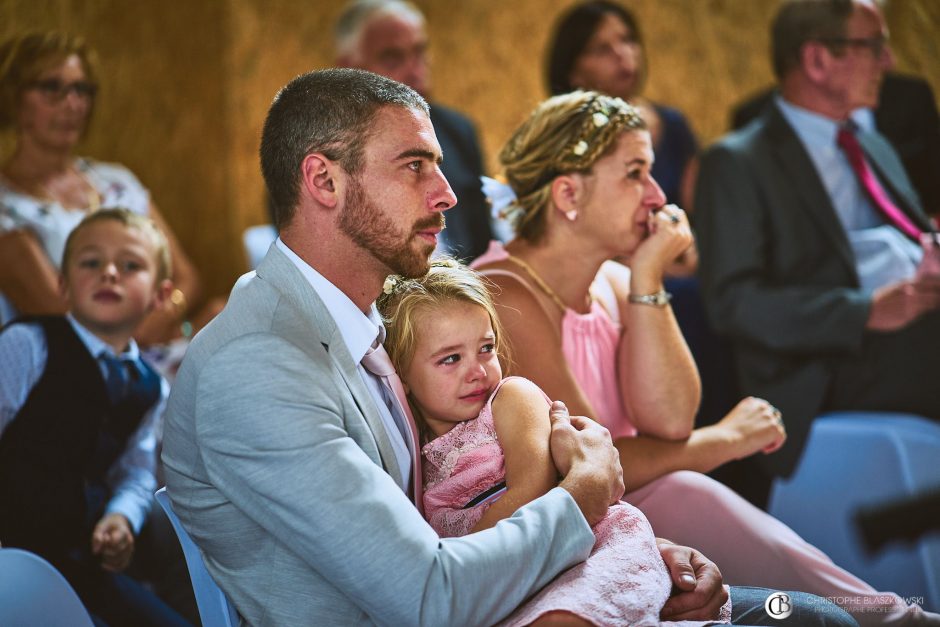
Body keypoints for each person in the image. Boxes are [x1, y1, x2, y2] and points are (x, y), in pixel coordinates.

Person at [160, 68, 852, 627]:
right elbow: (428, 594)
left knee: (806, 613)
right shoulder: (256, 364)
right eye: (414, 166)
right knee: (814, 621)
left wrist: (643, 550)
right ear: (323, 181)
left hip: (518, 593)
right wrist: (582, 494)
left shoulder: (352, 318)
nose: (447, 193)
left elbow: (446, 515)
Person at [472, 90, 935, 626]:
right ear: (569, 194)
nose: (657, 194)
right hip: (572, 520)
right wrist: (725, 441)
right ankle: (892, 618)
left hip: (633, 501)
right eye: (635, 173)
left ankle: (888, 617)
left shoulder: (617, 281)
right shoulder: (504, 293)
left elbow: (669, 420)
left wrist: (648, 277)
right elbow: (593, 462)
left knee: (687, 493)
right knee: (687, 489)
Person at [378, 259, 739, 626]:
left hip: (588, 551)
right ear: (401, 372)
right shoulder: (417, 448)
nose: (478, 371)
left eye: (486, 348)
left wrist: (465, 561)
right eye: (451, 359)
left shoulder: (511, 398)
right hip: (519, 578)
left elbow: (533, 487)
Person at [694, 0, 940, 478]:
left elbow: (915, 234)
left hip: (907, 337)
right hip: (816, 370)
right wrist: (864, 311)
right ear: (817, 60)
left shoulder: (873, 143)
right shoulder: (738, 161)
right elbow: (733, 303)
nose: (888, 61)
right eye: (873, 46)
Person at [0, 208, 190, 627]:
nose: (108, 272)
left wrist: (122, 516)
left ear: (160, 294)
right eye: (90, 262)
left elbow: (136, 472)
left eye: (130, 265)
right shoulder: (28, 345)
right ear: (63, 284)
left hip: (83, 557)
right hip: (11, 549)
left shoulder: (150, 386)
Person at [0, 31, 212, 347]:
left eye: (81, 89)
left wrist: (166, 320)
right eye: (52, 88)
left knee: (228, 312)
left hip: (157, 340)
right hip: (86, 369)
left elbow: (187, 277)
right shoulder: (8, 204)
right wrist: (139, 337)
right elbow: (65, 319)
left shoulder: (116, 180)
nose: (72, 103)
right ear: (14, 97)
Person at [335, 0, 495, 261]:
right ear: (348, 69)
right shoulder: (319, 149)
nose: (414, 70)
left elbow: (483, 245)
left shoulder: (457, 131)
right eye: (392, 57)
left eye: (420, 52)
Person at [546, 0, 698, 211]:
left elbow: (697, 214)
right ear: (573, 73)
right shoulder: (560, 142)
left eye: (628, 40)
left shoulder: (673, 124)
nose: (621, 54)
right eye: (601, 49)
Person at [730, 72, 940, 217]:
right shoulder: (755, 121)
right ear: (817, 58)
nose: (887, 56)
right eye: (870, 45)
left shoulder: (909, 99)